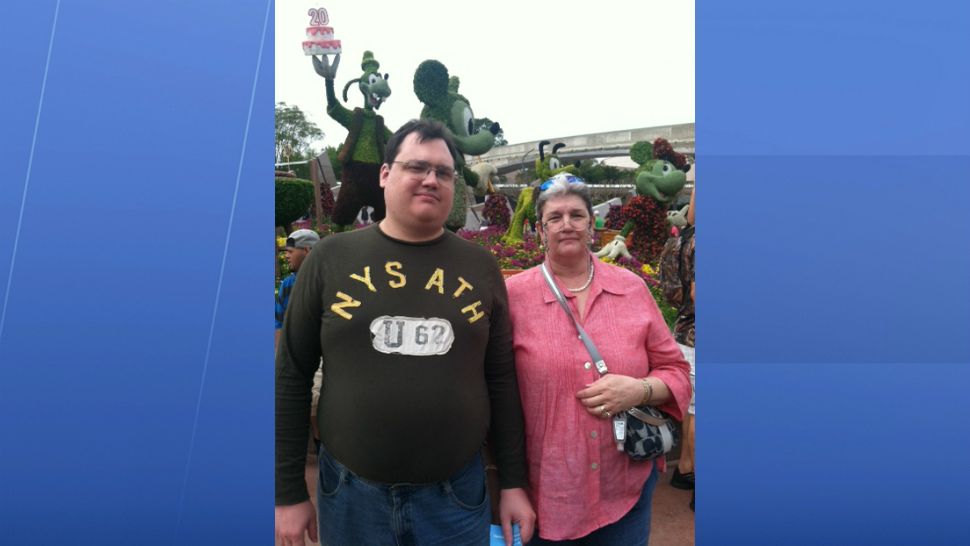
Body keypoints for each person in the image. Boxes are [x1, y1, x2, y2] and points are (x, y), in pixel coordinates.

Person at [275, 119, 535, 546]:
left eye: (443, 172)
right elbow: (292, 375)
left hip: (455, 499)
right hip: (352, 496)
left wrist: (512, 482)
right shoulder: (329, 259)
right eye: (416, 167)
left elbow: (502, 379)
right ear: (384, 174)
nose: (431, 179)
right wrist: (286, 492)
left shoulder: (480, 267)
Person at [505, 173, 692, 545]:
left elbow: (677, 371)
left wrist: (639, 390)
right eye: (554, 218)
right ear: (540, 230)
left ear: (592, 224)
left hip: (624, 486)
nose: (566, 224)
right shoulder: (513, 296)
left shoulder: (631, 288)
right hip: (548, 491)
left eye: (576, 215)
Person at [275, 229, 321, 353]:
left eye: (290, 252)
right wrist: (280, 356)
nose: (286, 256)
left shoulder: (328, 280)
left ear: (306, 251)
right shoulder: (287, 285)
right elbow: (279, 322)